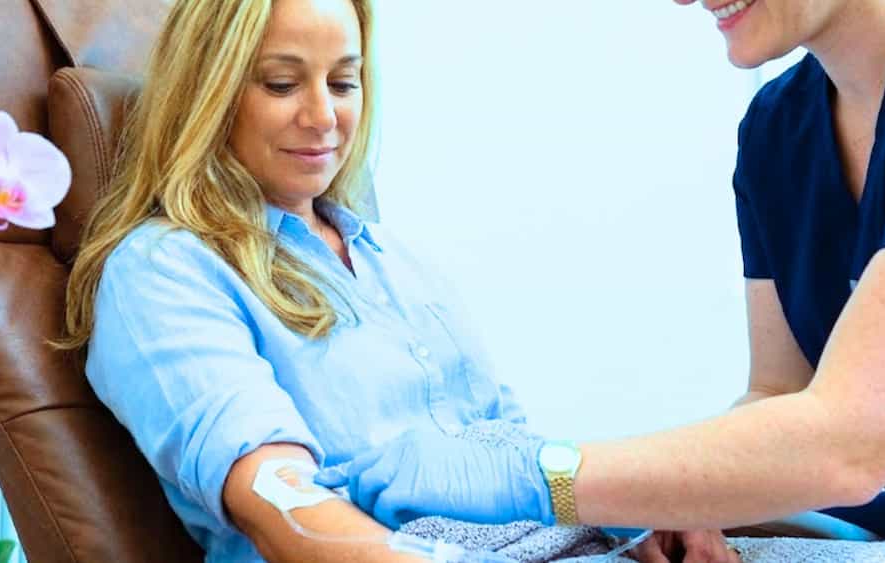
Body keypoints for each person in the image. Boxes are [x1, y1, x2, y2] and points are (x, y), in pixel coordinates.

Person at [318, 0, 885, 560]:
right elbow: (781, 394)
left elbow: (851, 443)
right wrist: (687, 503)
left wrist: (537, 475)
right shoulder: (776, 129)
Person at [57, 1, 536, 561]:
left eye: (342, 82)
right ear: (209, 94)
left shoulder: (398, 259)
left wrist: (634, 523)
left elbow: (516, 453)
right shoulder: (165, 271)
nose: (324, 116)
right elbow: (292, 518)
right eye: (282, 84)